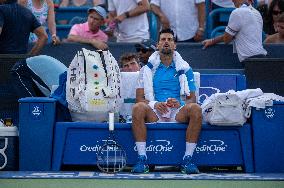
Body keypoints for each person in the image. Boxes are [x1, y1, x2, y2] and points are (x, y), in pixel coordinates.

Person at [131, 29, 202, 174]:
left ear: (175, 45)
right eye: (163, 39)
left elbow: (192, 99)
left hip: (178, 111)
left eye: (170, 39)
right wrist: (154, 104)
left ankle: (187, 159)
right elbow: (139, 98)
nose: (166, 42)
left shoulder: (186, 69)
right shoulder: (145, 70)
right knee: (138, 108)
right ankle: (142, 159)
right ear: (157, 45)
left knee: (195, 109)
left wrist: (180, 103)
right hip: (155, 110)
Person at [202, 0, 267, 62]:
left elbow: (226, 39)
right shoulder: (257, 13)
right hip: (262, 58)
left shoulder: (237, 12)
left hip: (250, 61)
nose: (232, 1)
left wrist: (212, 41)